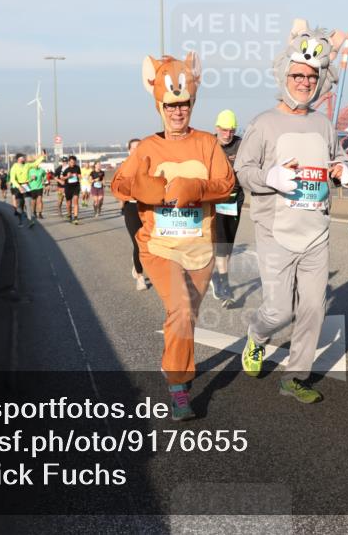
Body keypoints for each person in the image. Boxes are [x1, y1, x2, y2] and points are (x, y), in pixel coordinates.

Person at [234, 20, 348, 404]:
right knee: (279, 311)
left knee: (314, 310)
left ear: (321, 80)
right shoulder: (263, 123)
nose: (305, 81)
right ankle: (257, 335)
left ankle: (295, 377)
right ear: (284, 74)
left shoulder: (322, 123)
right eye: (298, 74)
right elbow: (243, 171)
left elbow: (336, 158)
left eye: (311, 76)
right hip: (275, 234)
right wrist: (272, 177)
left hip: (315, 232)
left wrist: (342, 170)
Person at [111, 52, 235, 420]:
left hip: (198, 248)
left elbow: (227, 185)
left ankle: (173, 363)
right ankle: (180, 388)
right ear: (159, 106)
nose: (178, 111)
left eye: (183, 104)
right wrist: (142, 187)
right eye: (171, 105)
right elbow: (118, 184)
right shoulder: (148, 148)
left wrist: (195, 187)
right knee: (180, 307)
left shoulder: (208, 145)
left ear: (192, 103)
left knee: (186, 317)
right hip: (158, 246)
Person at [210, 109, 244, 305]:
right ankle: (225, 287)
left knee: (228, 246)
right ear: (217, 128)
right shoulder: (210, 144)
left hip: (236, 199)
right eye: (224, 130)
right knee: (221, 245)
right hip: (216, 200)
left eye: (231, 130)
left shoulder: (241, 144)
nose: (227, 134)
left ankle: (219, 278)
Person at [121, 139, 149, 291]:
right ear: (129, 150)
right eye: (134, 148)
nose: (137, 150)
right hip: (131, 208)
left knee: (149, 243)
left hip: (147, 208)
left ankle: (136, 262)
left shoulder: (149, 165)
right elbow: (120, 188)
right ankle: (140, 276)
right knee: (138, 243)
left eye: (140, 147)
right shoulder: (125, 168)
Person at [26, 151, 48, 223]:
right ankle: (34, 212)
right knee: (33, 201)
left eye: (37, 164)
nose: (36, 165)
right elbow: (26, 180)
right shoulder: (30, 171)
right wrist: (31, 178)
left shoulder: (41, 170)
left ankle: (40, 213)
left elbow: (45, 175)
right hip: (32, 188)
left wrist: (44, 180)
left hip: (39, 187)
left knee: (40, 200)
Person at [8, 153, 30, 224]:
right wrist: (18, 186)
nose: (24, 158)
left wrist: (42, 157)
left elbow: (34, 163)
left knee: (27, 202)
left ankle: (29, 218)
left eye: (24, 157)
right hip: (15, 187)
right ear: (18, 159)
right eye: (22, 157)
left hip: (25, 186)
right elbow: (11, 180)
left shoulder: (25, 166)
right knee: (17, 201)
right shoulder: (13, 168)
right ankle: (18, 215)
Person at [61, 155, 83, 224]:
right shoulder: (65, 169)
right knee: (68, 203)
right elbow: (61, 177)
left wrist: (79, 176)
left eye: (74, 162)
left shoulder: (77, 167)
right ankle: (69, 214)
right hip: (68, 187)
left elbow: (79, 176)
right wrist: (67, 176)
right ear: (69, 162)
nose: (72, 163)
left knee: (76, 200)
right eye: (71, 162)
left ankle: (76, 217)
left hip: (76, 186)